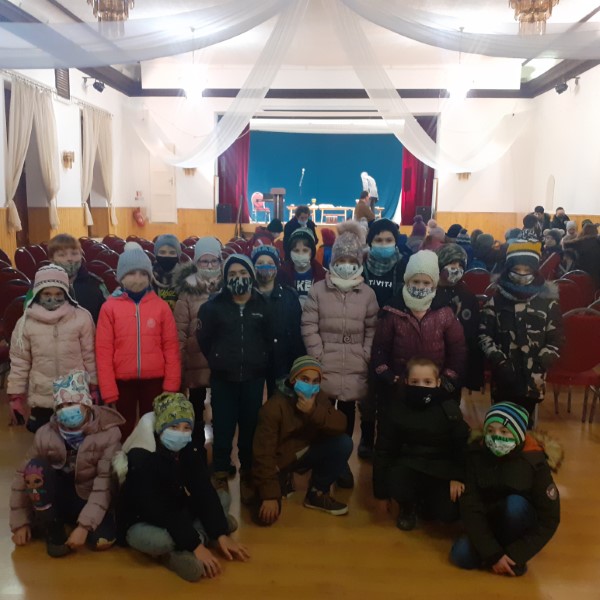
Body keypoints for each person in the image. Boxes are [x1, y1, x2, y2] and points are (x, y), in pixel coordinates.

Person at [115, 393, 249, 582]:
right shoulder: (142, 457)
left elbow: (203, 489)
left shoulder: (188, 449)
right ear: (161, 427)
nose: (180, 433)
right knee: (162, 541)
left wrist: (221, 534)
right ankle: (174, 553)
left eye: (187, 427)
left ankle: (204, 535)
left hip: (176, 510)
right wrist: (196, 545)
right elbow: (161, 510)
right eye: (174, 426)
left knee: (222, 498)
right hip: (144, 520)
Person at [10, 370, 123, 557]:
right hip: (58, 494)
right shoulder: (45, 434)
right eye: (60, 406)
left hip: (88, 495)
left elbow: (104, 484)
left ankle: (75, 521)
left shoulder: (109, 434)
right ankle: (52, 525)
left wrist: (84, 527)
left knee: (103, 540)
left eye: (71, 404)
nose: (65, 411)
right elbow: (22, 476)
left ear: (86, 404)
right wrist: (20, 523)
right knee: (34, 468)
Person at [302, 221, 379, 489]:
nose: (346, 265)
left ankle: (342, 463)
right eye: (341, 260)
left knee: (346, 416)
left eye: (351, 260)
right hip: (325, 364)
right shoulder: (318, 290)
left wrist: (366, 354)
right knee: (322, 416)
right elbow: (309, 325)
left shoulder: (367, 294)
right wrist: (318, 356)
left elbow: (373, 327)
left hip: (355, 364)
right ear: (333, 261)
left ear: (358, 262)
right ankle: (321, 460)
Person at [450, 402, 562, 577]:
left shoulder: (535, 461)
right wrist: (494, 554)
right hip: (489, 522)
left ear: (518, 434)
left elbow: (549, 519)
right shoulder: (475, 456)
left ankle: (509, 556)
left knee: (515, 504)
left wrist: (517, 554)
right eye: (490, 431)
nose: (496, 437)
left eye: (504, 431)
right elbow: (470, 506)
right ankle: (499, 559)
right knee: (460, 555)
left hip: (519, 524)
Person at [197, 254, 272, 504]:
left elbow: (268, 338)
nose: (238, 278)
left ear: (251, 276)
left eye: (242, 273)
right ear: (225, 278)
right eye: (232, 274)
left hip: (253, 378)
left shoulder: (263, 305)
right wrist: (218, 359)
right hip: (223, 379)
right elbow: (204, 339)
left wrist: (258, 360)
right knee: (223, 427)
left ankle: (248, 473)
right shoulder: (212, 307)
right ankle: (220, 471)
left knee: (250, 428)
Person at [251, 356, 352, 526]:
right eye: (305, 379)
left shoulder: (318, 397)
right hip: (280, 462)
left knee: (343, 443)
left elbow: (340, 424)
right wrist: (269, 496)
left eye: (315, 381)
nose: (310, 385)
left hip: (307, 452)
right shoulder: (273, 407)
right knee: (264, 517)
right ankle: (284, 480)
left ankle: (317, 493)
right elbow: (263, 454)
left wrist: (313, 411)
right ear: (293, 379)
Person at [373, 358, 469, 531]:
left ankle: (426, 504)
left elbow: (462, 447)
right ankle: (407, 507)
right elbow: (383, 451)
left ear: (437, 383)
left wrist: (457, 476)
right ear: (406, 382)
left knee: (449, 513)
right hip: (407, 465)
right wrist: (381, 495)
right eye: (415, 382)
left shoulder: (450, 410)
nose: (421, 386)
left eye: (427, 382)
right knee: (398, 480)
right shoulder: (396, 409)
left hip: (441, 469)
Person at [96, 245, 181, 439]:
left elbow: (171, 349)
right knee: (122, 429)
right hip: (122, 382)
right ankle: (123, 457)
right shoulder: (109, 308)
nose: (138, 278)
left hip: (154, 381)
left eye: (143, 273)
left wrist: (171, 385)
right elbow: (103, 352)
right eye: (131, 273)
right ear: (121, 277)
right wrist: (108, 390)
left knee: (151, 428)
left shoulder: (161, 307)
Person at [479, 240, 563, 426]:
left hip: (533, 378)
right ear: (508, 269)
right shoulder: (496, 300)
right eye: (517, 269)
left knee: (524, 424)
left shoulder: (548, 301)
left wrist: (543, 360)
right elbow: (484, 334)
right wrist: (499, 360)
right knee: (501, 422)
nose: (522, 274)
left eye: (527, 270)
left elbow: (556, 338)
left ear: (535, 270)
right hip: (503, 375)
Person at [8, 265, 97, 433]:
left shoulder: (82, 317)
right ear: (38, 294)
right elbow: (20, 362)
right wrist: (16, 396)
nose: (52, 299)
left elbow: (90, 355)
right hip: (42, 394)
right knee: (45, 441)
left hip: (74, 394)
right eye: (47, 294)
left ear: (66, 293)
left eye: (58, 294)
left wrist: (94, 386)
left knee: (75, 441)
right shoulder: (25, 322)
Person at [372, 250, 467, 398]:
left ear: (434, 284)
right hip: (400, 385)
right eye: (416, 282)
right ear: (407, 281)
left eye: (426, 282)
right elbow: (380, 346)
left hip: (435, 384)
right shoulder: (393, 310)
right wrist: (386, 373)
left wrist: (449, 376)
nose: (420, 287)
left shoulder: (445, 311)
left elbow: (457, 348)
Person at [173, 237, 223, 449]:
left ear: (220, 261)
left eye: (214, 261)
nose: (209, 266)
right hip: (195, 362)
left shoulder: (228, 287)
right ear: (196, 262)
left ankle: (220, 450)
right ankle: (195, 449)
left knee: (221, 410)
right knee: (195, 407)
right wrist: (180, 366)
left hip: (221, 362)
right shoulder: (187, 292)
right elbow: (180, 332)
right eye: (204, 261)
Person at [251, 245, 305, 396]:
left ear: (277, 266)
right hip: (253, 366)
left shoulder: (289, 296)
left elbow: (296, 334)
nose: (265, 266)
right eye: (260, 263)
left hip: (282, 365)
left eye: (270, 263)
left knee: (279, 405)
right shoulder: (246, 296)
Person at [436, 244, 484, 395]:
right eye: (451, 263)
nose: (456, 268)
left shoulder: (467, 296)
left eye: (460, 265)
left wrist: (473, 376)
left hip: (456, 364)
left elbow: (473, 336)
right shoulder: (429, 290)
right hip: (431, 360)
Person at [48, 233, 109, 323]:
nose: (69, 258)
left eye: (74, 253)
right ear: (52, 259)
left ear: (81, 255)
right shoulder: (39, 286)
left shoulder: (96, 284)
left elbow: (108, 317)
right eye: (62, 255)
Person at [363, 219, 408, 309]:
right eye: (378, 240)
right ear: (371, 243)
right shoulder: (361, 265)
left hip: (393, 315)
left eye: (389, 240)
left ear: (395, 242)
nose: (384, 244)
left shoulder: (403, 266)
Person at [278, 228, 326, 307]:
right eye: (296, 250)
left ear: (312, 252)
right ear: (290, 252)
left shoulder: (322, 275)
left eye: (305, 250)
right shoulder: (281, 274)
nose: (300, 254)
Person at [562, 223, 600, 288]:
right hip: (597, 272)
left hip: (582, 272)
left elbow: (565, 245)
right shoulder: (598, 241)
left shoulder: (579, 242)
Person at [152, 234, 182, 311]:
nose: (167, 256)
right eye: (162, 252)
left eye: (172, 253)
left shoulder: (185, 277)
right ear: (156, 254)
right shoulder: (148, 276)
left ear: (178, 255)